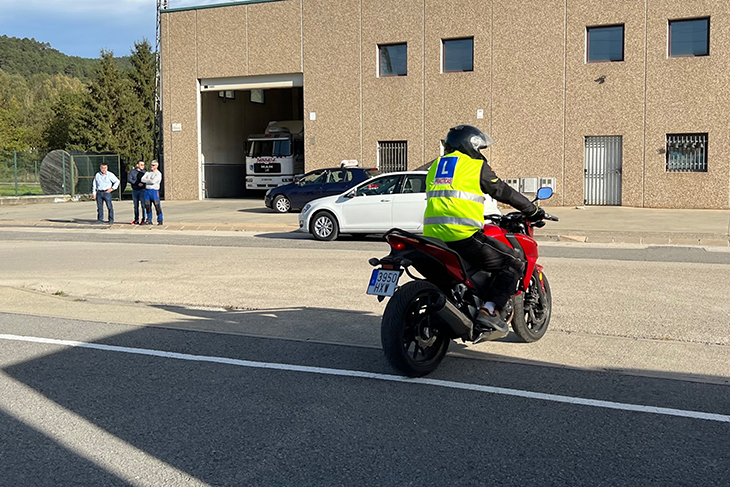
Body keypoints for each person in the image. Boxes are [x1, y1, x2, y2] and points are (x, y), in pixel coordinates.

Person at [424, 125, 545, 341]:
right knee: (513, 263)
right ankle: (489, 310)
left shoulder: (435, 167)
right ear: (470, 145)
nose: (481, 153)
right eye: (479, 148)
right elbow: (502, 191)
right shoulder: (474, 165)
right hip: (462, 235)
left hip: (433, 237)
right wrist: (532, 209)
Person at [141, 160, 163, 225]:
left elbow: (153, 181)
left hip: (154, 191)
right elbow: (142, 179)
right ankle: (149, 219)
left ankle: (160, 219)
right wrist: (149, 180)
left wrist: (147, 180)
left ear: (156, 166)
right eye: (151, 165)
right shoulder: (148, 173)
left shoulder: (158, 174)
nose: (151, 166)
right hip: (147, 190)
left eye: (153, 165)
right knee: (147, 206)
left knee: (157, 206)